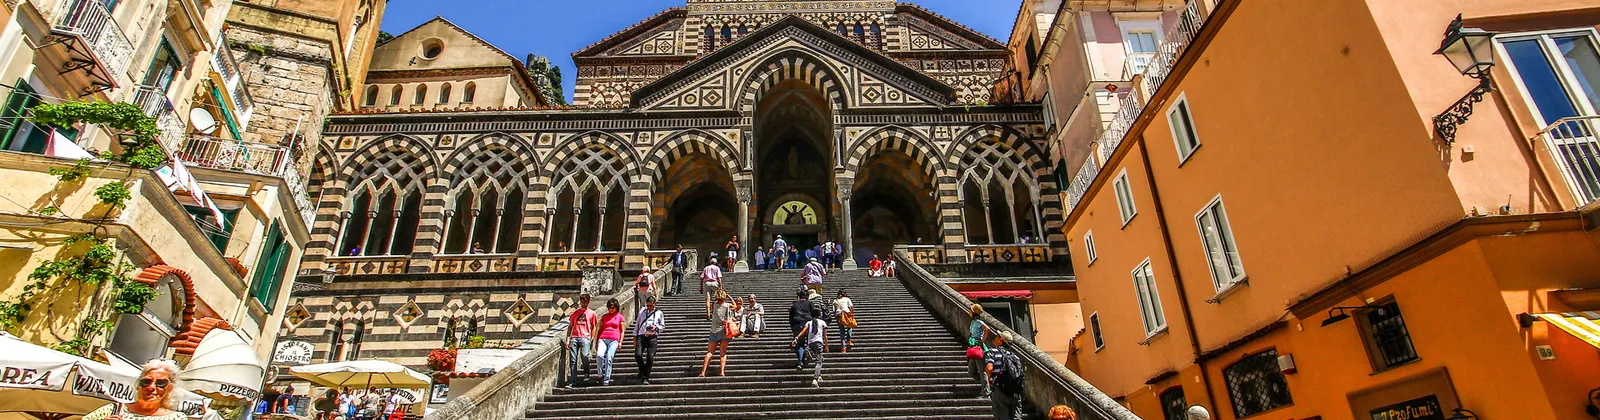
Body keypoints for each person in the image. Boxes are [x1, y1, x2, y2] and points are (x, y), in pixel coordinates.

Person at [82, 359, 186, 420]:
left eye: (161, 383)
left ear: (170, 388)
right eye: (146, 382)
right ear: (138, 385)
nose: (151, 387)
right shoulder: (113, 410)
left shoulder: (176, 418)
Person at [986, 332, 1025, 420]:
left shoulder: (993, 352)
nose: (995, 337)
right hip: (1015, 391)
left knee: (1002, 415)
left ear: (1001, 340)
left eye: (998, 336)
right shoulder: (1015, 356)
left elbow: (989, 368)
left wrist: (990, 380)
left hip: (1000, 389)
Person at [565, 294, 598, 388]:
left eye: (585, 302)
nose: (583, 304)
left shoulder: (592, 313)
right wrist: (568, 340)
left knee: (585, 356)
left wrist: (591, 338)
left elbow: (594, 327)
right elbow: (570, 326)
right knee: (573, 360)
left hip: (585, 337)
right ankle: (573, 381)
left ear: (588, 302)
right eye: (582, 302)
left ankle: (587, 372)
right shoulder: (575, 313)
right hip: (574, 337)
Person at [699, 293, 734, 377]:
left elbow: (710, 304)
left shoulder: (714, 305)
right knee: (722, 352)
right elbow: (735, 306)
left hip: (714, 330)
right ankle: (722, 372)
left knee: (710, 352)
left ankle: (703, 372)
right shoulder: (727, 305)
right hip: (724, 331)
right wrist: (729, 297)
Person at [633, 296, 665, 384]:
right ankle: (642, 370)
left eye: (651, 306)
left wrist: (656, 327)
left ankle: (645, 377)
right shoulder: (642, 312)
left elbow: (662, 326)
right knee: (638, 355)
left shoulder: (659, 313)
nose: (649, 307)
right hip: (641, 336)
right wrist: (634, 337)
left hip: (652, 337)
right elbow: (637, 325)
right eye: (648, 305)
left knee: (650, 358)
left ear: (655, 304)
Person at [791, 311, 828, 387]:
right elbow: (825, 336)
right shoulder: (822, 322)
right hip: (819, 343)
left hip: (810, 343)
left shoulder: (808, 322)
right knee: (819, 362)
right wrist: (826, 345)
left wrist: (796, 338)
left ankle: (808, 352)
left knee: (817, 358)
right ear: (819, 315)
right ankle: (815, 378)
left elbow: (803, 332)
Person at [595, 298, 626, 385]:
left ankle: (606, 379)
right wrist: (597, 341)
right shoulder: (604, 317)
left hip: (614, 340)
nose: (611, 310)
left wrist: (620, 342)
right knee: (599, 355)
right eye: (610, 308)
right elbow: (600, 329)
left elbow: (622, 330)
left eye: (613, 308)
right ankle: (600, 375)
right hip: (603, 338)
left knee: (609, 357)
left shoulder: (620, 317)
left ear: (616, 308)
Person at [968, 304, 993, 394]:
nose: (969, 311)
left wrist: (983, 339)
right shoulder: (973, 322)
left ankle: (986, 390)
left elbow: (988, 329)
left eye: (970, 310)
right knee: (971, 371)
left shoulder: (978, 322)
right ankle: (987, 385)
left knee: (982, 370)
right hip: (973, 347)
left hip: (978, 347)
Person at [786, 290, 813, 369]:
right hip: (808, 323)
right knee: (810, 341)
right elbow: (814, 314)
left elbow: (790, 317)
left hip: (797, 324)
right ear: (807, 297)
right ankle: (807, 349)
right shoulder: (810, 304)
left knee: (799, 344)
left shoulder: (794, 305)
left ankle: (800, 362)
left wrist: (793, 327)